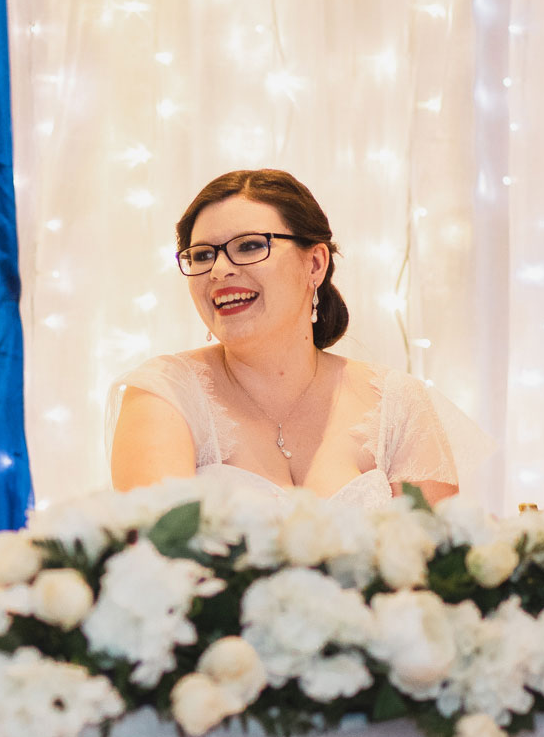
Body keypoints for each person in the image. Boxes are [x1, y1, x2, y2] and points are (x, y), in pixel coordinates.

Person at [111, 169, 460, 506]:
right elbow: (156, 557)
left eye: (248, 246)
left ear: (315, 264)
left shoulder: (398, 404)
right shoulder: (165, 393)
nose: (219, 271)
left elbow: (432, 558)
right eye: (202, 255)